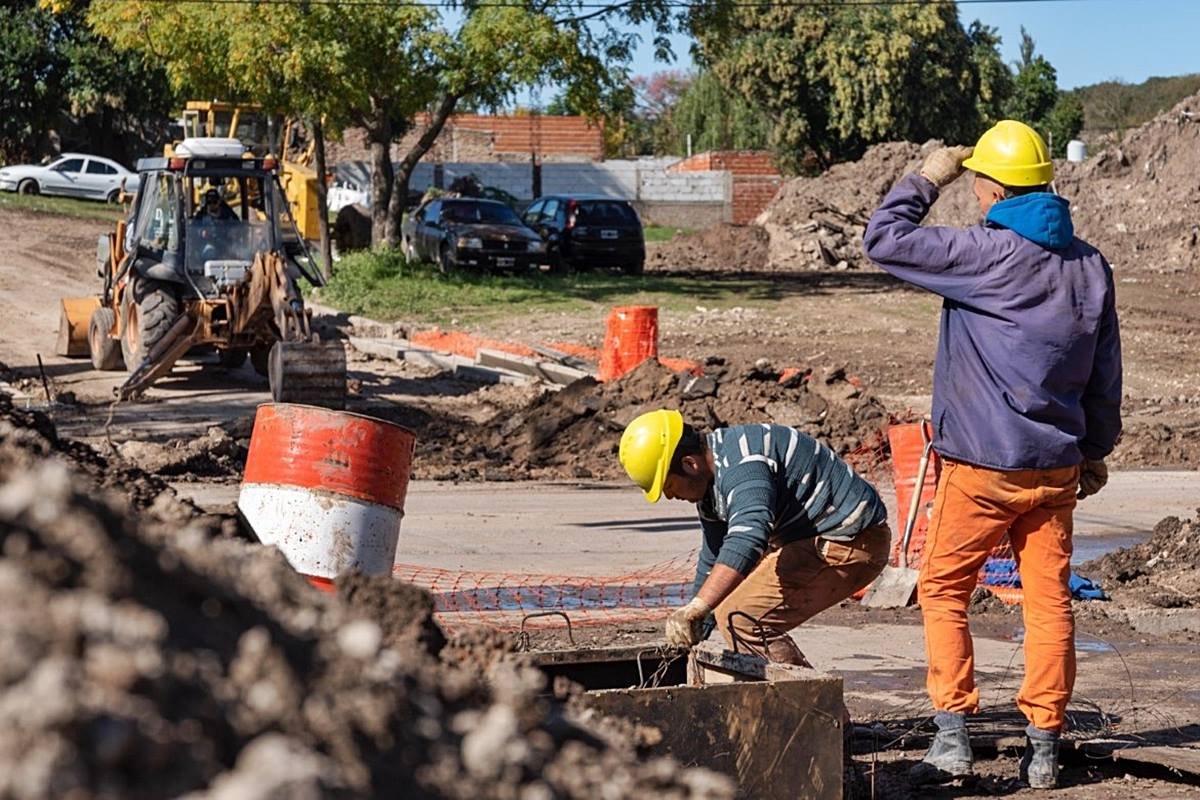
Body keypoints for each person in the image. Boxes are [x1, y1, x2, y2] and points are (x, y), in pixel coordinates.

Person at [863, 120, 1122, 790]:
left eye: (976, 182)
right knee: (1048, 602)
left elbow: (883, 238)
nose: (975, 193)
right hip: (1056, 468)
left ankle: (953, 739)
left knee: (944, 588)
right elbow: (1104, 375)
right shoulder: (1090, 266)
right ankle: (1045, 749)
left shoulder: (983, 253)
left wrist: (926, 178)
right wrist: (1094, 451)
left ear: (993, 188)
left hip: (981, 467)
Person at [618, 409, 891, 666]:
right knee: (728, 611)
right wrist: (697, 619)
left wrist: (700, 606)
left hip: (851, 541)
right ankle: (794, 696)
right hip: (817, 541)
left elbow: (748, 538)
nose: (669, 496)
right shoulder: (712, 482)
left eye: (668, 485)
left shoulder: (743, 464)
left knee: (742, 620)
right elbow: (714, 555)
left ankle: (808, 701)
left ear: (690, 464)